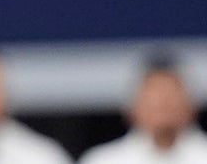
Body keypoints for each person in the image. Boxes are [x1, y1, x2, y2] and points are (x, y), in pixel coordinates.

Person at [78, 55, 207, 164]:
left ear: (192, 106)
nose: (163, 103)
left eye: (171, 95)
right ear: (131, 108)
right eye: (154, 96)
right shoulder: (103, 160)